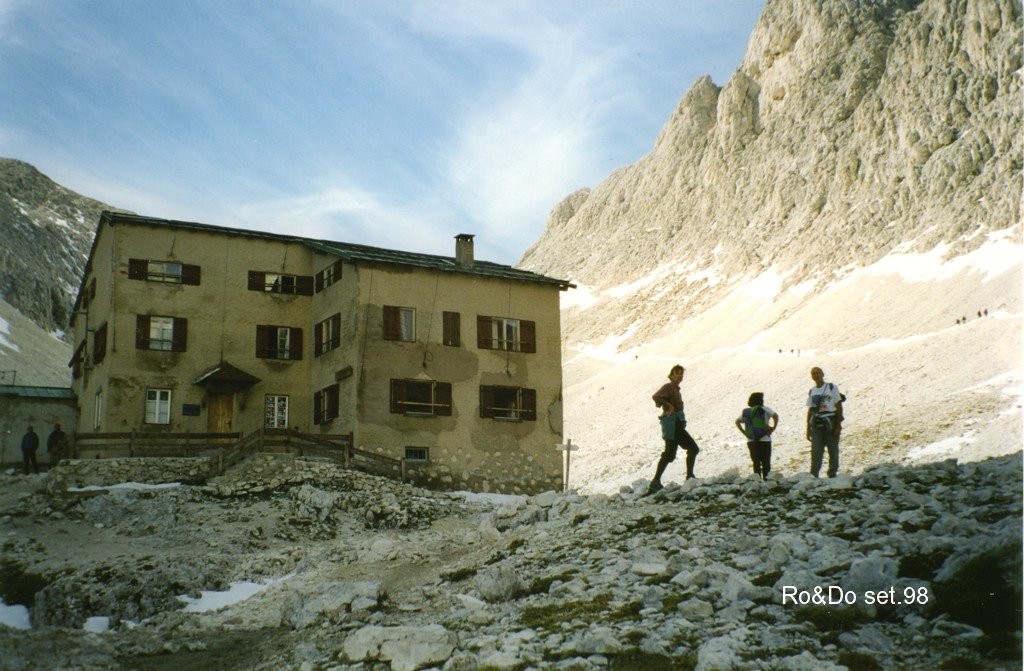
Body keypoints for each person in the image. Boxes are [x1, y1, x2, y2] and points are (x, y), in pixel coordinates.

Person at [646, 364, 701, 494]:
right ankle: (689, 477)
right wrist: (668, 405)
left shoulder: (676, 389)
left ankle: (656, 482)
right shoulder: (669, 387)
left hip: (675, 424)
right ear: (671, 375)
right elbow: (656, 397)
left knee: (670, 454)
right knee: (692, 448)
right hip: (673, 424)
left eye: (681, 373)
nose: (680, 376)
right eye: (677, 373)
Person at [806, 367, 843, 477]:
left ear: (823, 374)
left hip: (830, 421)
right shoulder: (812, 391)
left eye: (818, 372)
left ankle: (832, 474)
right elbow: (810, 410)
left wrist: (838, 426)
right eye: (813, 373)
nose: (816, 375)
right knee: (816, 451)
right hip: (817, 423)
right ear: (811, 376)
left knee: (833, 450)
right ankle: (814, 475)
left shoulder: (832, 387)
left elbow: (838, 406)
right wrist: (808, 429)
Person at [735, 392, 778, 480]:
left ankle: (757, 483)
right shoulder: (765, 409)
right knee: (766, 463)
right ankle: (767, 482)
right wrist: (773, 428)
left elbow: (737, 422)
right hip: (765, 439)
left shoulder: (748, 412)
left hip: (751, 440)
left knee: (756, 463)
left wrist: (744, 432)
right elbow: (775, 416)